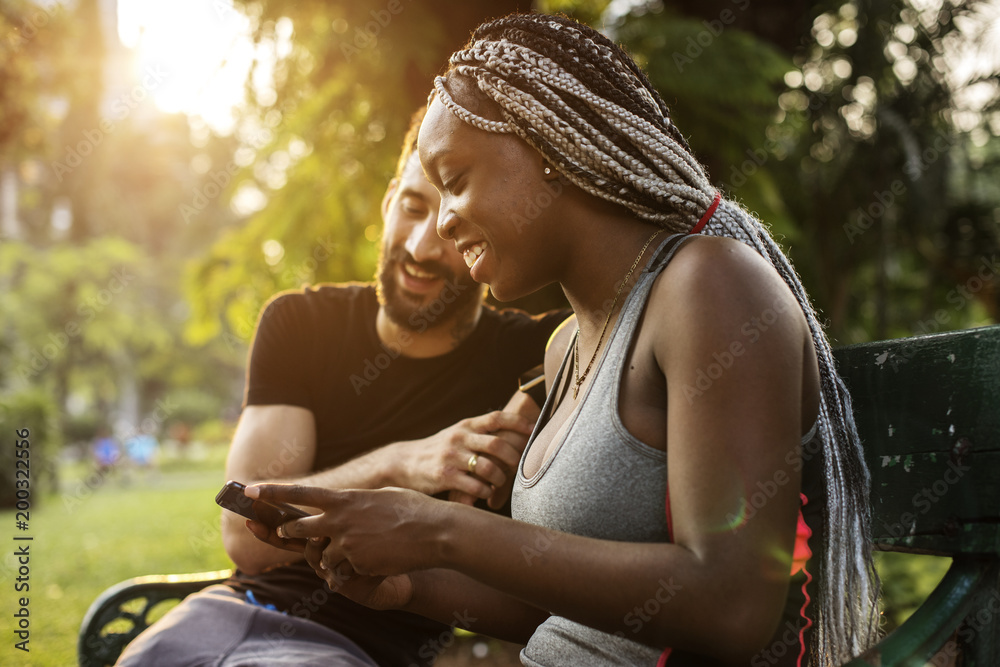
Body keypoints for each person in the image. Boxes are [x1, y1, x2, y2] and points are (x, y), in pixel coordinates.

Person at [246, 13, 882, 667]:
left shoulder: (709, 287)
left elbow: (733, 604)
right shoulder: (564, 347)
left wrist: (438, 529)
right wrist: (408, 585)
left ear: (550, 150)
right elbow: (574, 609)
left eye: (455, 181)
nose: (444, 223)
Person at [115, 109, 567, 667]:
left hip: (350, 651)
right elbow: (244, 537)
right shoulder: (300, 323)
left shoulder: (540, 356)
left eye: (454, 221)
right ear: (387, 204)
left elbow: (631, 301)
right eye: (412, 207)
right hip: (217, 618)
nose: (424, 248)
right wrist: (398, 464)